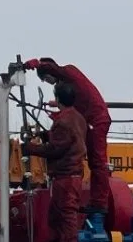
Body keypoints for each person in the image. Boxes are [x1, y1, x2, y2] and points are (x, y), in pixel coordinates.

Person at [30, 58, 113, 222]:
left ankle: (100, 202)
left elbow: (56, 71)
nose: (49, 83)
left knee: (97, 163)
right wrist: (58, 105)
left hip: (96, 120)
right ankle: (97, 201)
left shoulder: (68, 71)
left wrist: (36, 65)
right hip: (89, 120)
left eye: (47, 79)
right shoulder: (68, 85)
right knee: (94, 162)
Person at [25, 79, 90, 242]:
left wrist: (30, 148)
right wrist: (46, 135)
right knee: (56, 214)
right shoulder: (78, 118)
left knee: (66, 213)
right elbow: (68, 140)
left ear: (58, 99)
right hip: (73, 174)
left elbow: (55, 149)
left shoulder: (63, 122)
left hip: (66, 175)